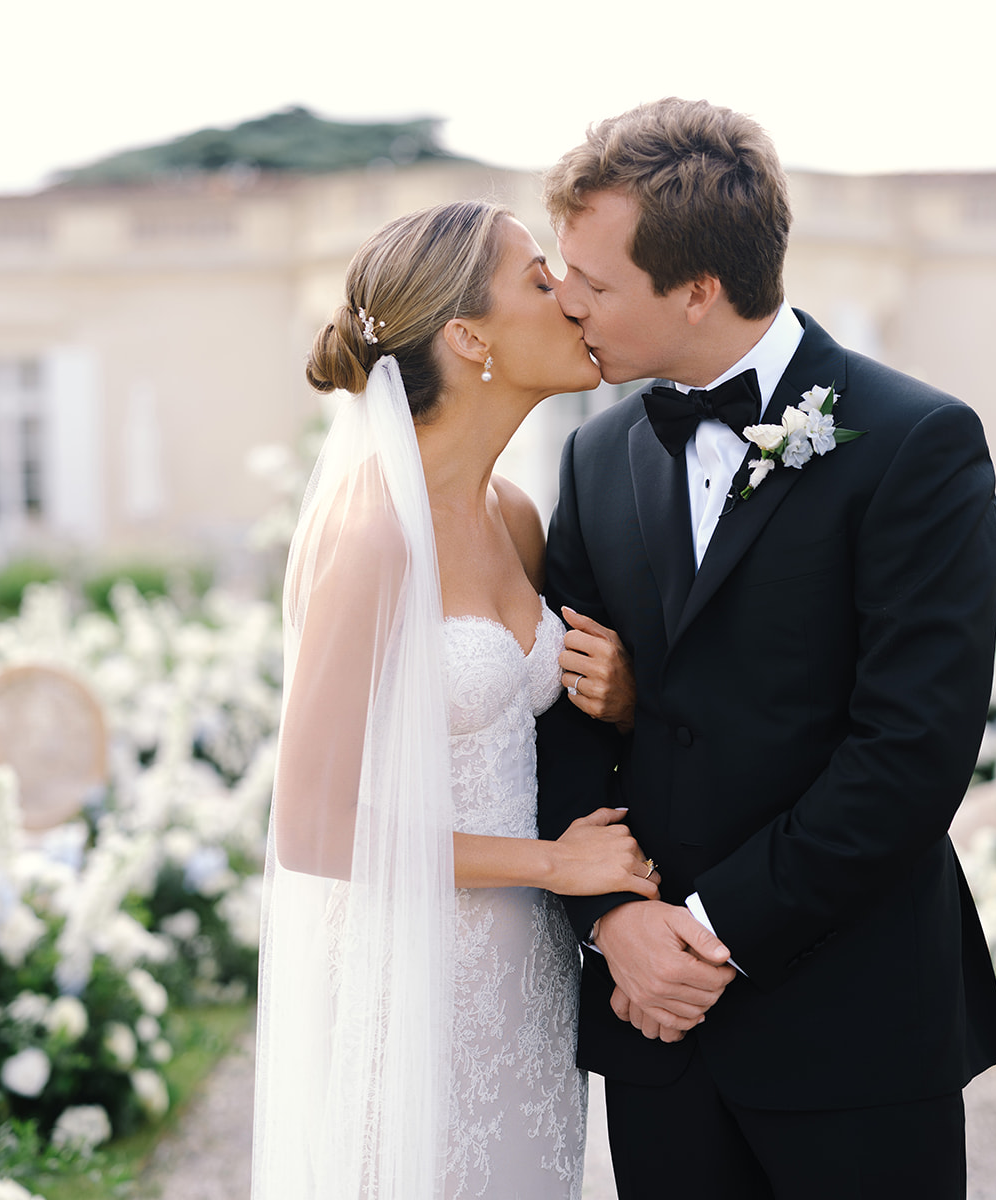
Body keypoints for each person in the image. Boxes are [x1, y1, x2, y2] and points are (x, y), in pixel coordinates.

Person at [535, 98, 996, 1199]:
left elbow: (911, 750)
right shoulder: (596, 455)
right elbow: (554, 705)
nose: (565, 302)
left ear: (697, 290)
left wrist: (702, 936)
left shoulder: (917, 443)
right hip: (652, 1029)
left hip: (849, 1013)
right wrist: (613, 922)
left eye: (593, 282)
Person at [252, 199, 648, 1199]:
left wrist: (619, 699)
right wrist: (552, 863)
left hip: (527, 981)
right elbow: (309, 827)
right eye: (535, 275)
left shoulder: (513, 514)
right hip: (412, 981)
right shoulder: (374, 534)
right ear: (469, 336)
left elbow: (537, 725)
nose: (566, 290)